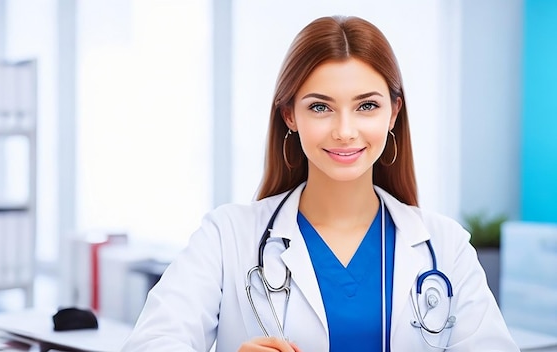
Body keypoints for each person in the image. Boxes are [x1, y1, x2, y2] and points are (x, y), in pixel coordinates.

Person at [121, 15, 519, 352]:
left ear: (394, 112)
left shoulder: (445, 247)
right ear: (289, 115)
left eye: (367, 106)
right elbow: (153, 342)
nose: (345, 131)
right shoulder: (227, 238)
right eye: (320, 107)